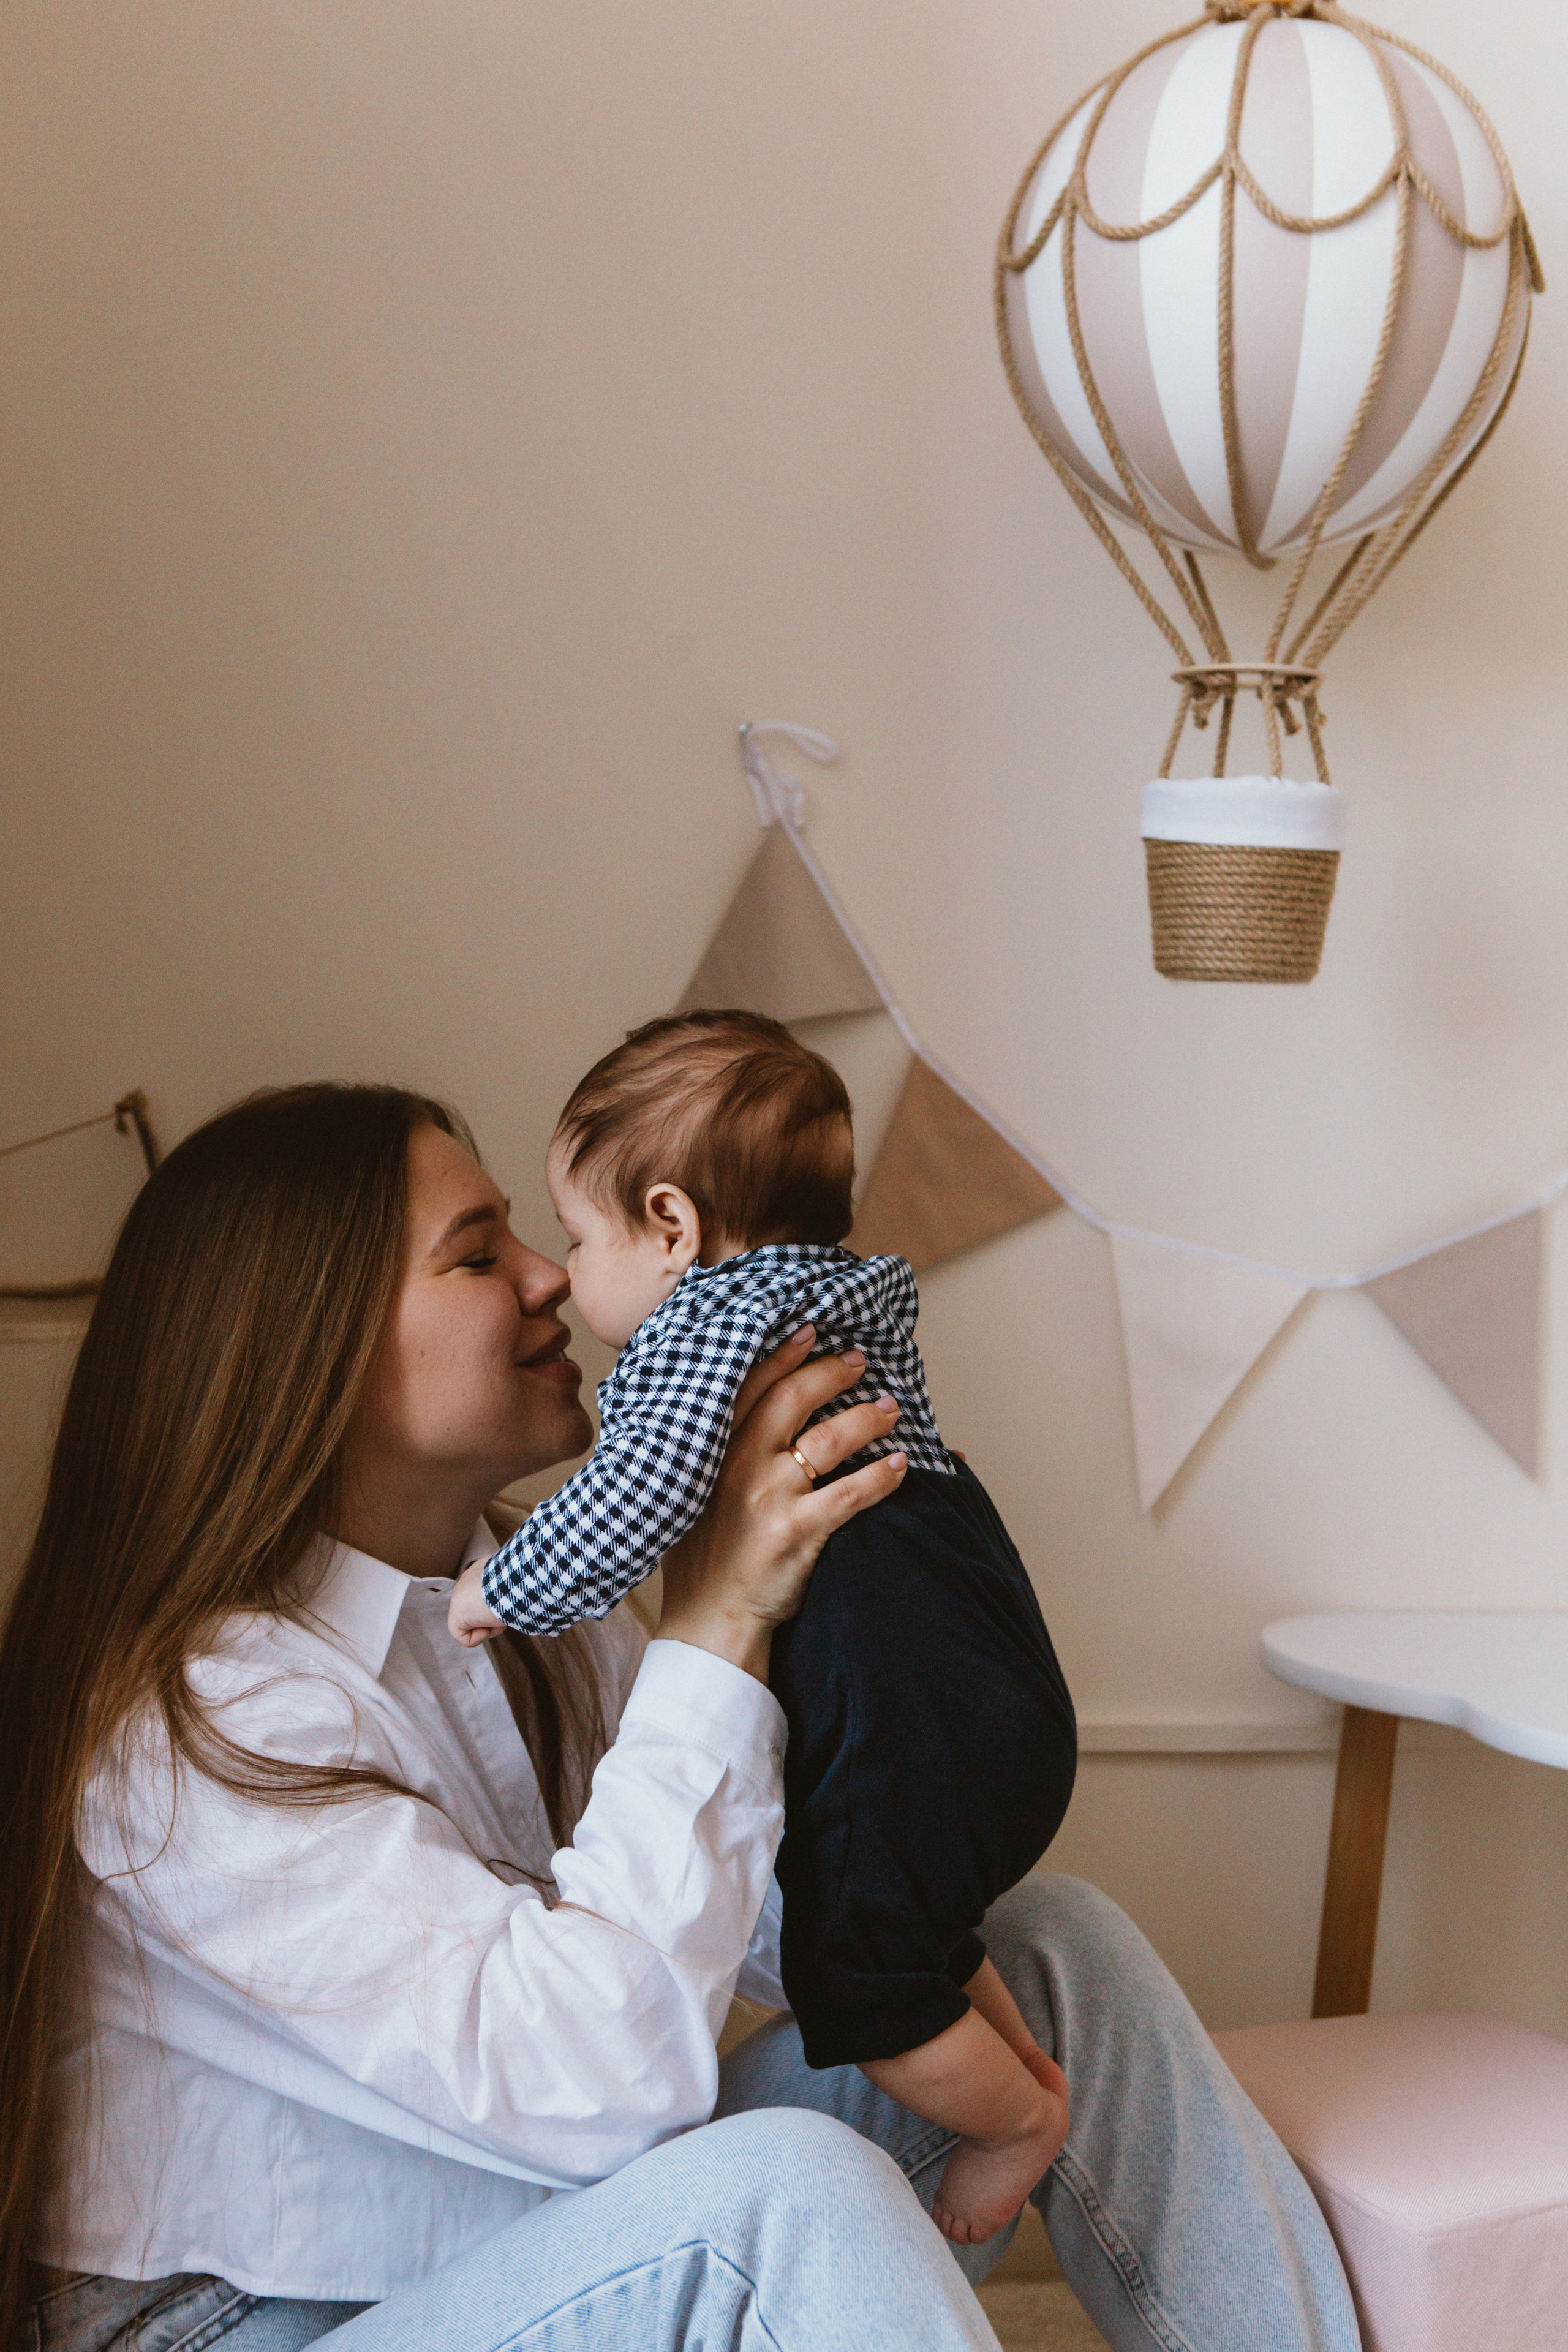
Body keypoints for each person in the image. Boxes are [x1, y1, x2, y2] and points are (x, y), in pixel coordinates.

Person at [0, 1081, 1362, 2352]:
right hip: (255, 2321)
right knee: (780, 2196)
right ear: (314, 1348)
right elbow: (602, 2081)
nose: (549, 1276)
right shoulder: (197, 1719)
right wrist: (714, 1628)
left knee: (1053, 1947)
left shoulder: (536, 1606)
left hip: (521, 2230)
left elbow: (749, 1931)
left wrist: (893, 1851)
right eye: (476, 1256)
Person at [449, 1011, 1078, 2242]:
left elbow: (638, 1490)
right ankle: (1025, 2076)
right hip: (982, 1659)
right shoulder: (837, 1296)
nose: (561, 1275)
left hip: (896, 1678)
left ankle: (1013, 2121)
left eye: (576, 1236)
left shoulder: (706, 1329)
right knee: (902, 1926)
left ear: (672, 1227)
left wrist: (503, 1589)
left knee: (858, 1977)